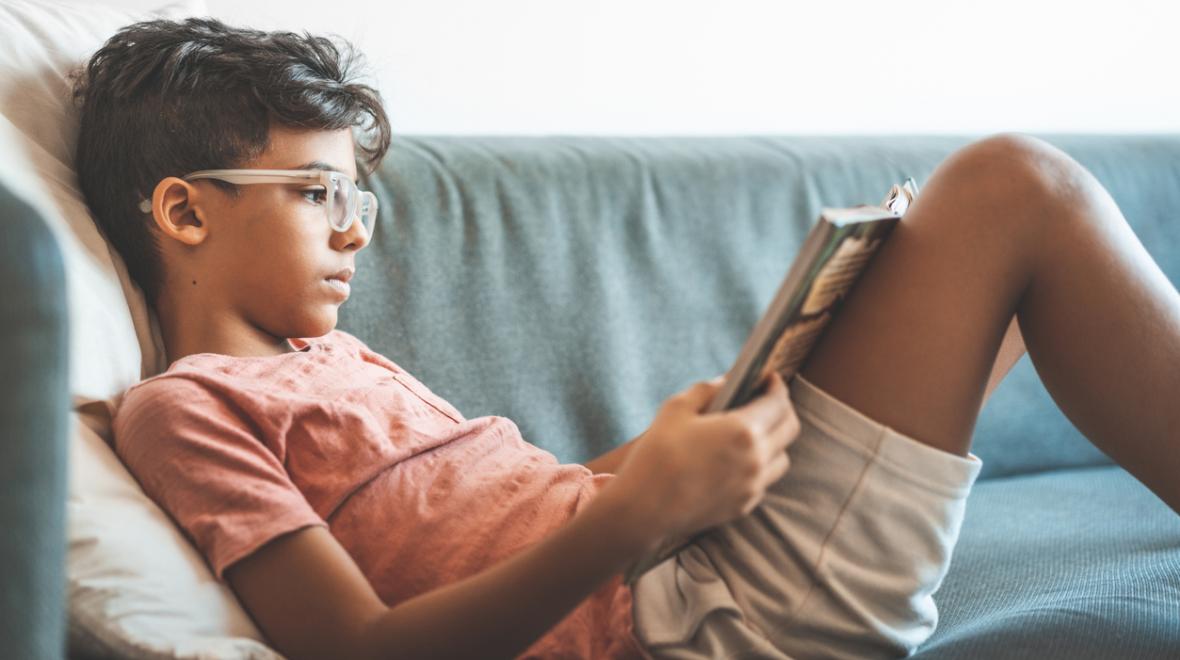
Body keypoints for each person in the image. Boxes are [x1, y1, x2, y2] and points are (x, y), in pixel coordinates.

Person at [73, 17, 1180, 660]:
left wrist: (678, 445)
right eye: (318, 192)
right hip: (688, 620)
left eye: (357, 193)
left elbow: (515, 503)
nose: (357, 224)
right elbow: (359, 650)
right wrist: (645, 509)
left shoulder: (335, 361)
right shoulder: (186, 410)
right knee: (1012, 189)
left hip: (681, 555)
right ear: (182, 212)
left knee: (962, 244)